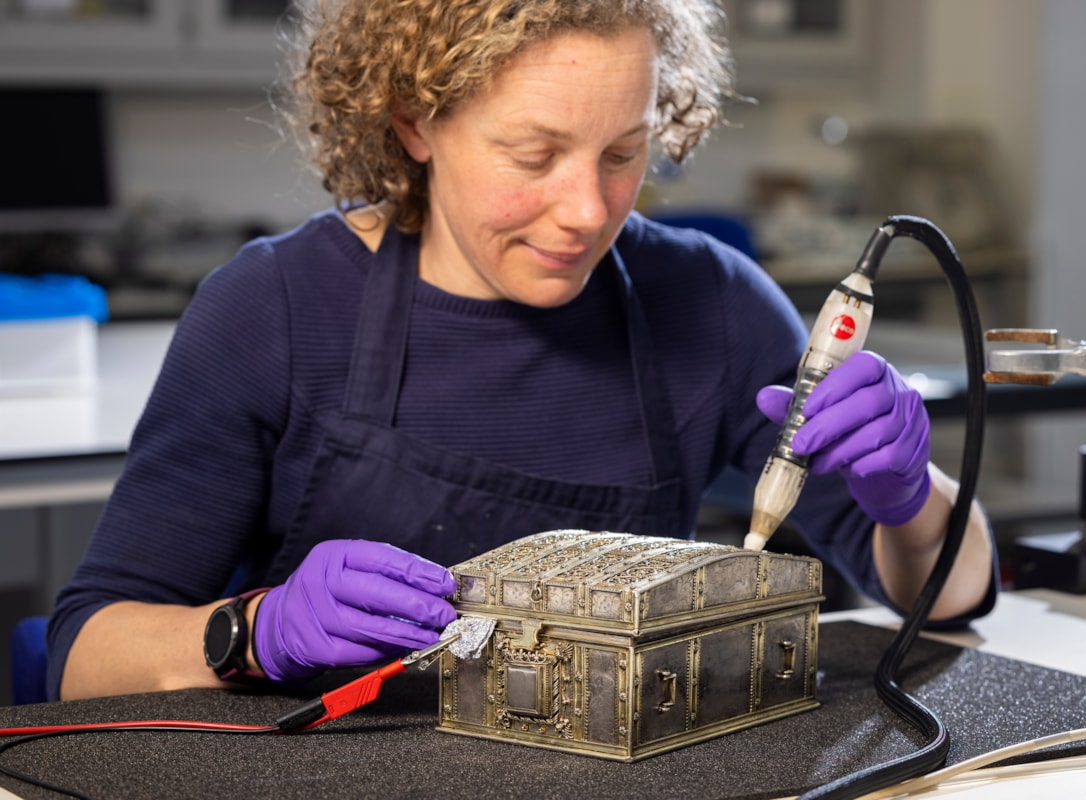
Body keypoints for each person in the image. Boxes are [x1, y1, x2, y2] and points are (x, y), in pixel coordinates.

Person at [48, 0, 996, 701]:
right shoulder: (276, 309)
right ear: (415, 124)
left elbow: (952, 597)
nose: (587, 211)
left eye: (622, 155)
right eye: (534, 156)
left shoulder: (710, 305)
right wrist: (255, 633)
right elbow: (83, 655)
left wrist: (912, 502)